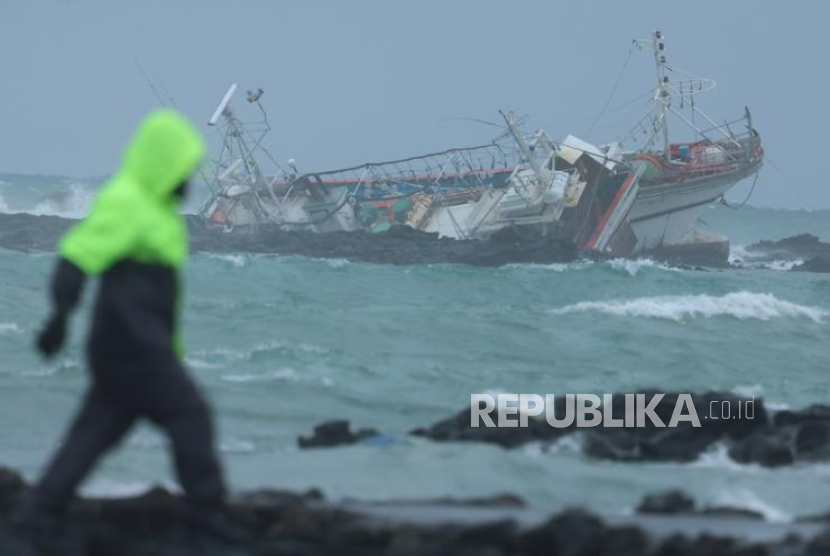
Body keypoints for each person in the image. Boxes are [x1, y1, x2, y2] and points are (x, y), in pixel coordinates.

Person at [14, 109, 234, 540]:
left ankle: (37, 513)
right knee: (190, 415)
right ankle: (208, 520)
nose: (188, 177)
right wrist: (60, 316)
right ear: (162, 163)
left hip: (133, 345)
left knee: (95, 431)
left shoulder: (159, 209)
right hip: (133, 344)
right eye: (182, 167)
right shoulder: (128, 200)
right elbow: (78, 254)